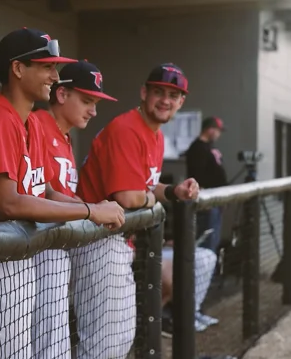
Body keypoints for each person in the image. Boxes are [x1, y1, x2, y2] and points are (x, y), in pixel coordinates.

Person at [0, 27, 125, 359]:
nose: (54, 75)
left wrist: (90, 205)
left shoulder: (29, 122)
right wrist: (90, 212)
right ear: (18, 69)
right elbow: (8, 202)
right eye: (47, 66)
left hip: (19, 259)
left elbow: (43, 189)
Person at [75, 63, 199, 358]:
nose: (165, 100)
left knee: (116, 338)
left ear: (181, 102)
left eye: (173, 95)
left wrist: (171, 191)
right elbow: (129, 197)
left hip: (114, 240)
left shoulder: (154, 134)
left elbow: (144, 186)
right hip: (96, 241)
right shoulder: (127, 129)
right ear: (144, 92)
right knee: (103, 343)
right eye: (158, 92)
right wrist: (150, 199)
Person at [31, 59, 118, 359]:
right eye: (87, 100)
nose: (94, 111)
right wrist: (92, 209)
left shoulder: (64, 136)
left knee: (53, 339)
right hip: (34, 249)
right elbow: (41, 193)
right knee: (42, 342)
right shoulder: (38, 125)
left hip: (55, 248)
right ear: (62, 94)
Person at [185, 116, 227, 253]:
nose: (219, 134)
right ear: (210, 130)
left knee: (214, 239)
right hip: (206, 201)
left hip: (216, 199)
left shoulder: (210, 147)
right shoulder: (197, 148)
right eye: (217, 130)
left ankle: (211, 271)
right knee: (207, 241)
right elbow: (197, 175)